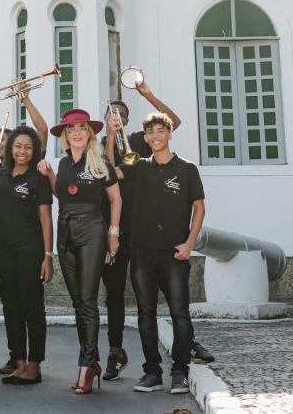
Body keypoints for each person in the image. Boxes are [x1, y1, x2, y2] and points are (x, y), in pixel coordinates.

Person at [119, 85, 204, 396]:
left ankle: (180, 371)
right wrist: (113, 130)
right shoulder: (138, 167)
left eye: (160, 131)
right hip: (141, 252)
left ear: (169, 133)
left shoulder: (186, 169)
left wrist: (189, 243)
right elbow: (110, 171)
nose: (155, 137)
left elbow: (199, 207)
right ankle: (152, 371)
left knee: (180, 313)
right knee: (145, 313)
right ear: (144, 138)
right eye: (150, 133)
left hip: (174, 252)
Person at [41, 108, 120, 394]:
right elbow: (61, 194)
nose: (76, 133)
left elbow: (116, 199)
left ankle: (86, 368)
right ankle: (93, 360)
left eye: (82, 128)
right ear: (65, 135)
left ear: (89, 134)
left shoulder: (100, 162)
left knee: (87, 300)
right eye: (71, 129)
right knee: (78, 302)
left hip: (92, 230)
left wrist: (113, 234)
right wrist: (49, 175)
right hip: (65, 231)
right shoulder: (62, 164)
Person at [0, 126, 53, 386]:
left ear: (33, 151)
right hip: (5, 250)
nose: (22, 151)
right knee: (11, 308)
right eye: (17, 146)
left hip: (31, 248)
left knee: (32, 307)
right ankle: (19, 363)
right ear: (10, 148)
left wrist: (47, 256)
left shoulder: (38, 178)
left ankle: (34, 366)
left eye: (28, 147)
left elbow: (46, 219)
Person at [99, 99, 144, 380]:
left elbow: (174, 123)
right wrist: (111, 135)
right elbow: (106, 171)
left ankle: (183, 345)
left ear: (128, 120)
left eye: (123, 115)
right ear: (105, 119)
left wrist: (145, 92)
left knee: (148, 292)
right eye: (113, 115)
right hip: (110, 231)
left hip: (139, 229)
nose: (118, 118)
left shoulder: (138, 142)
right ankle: (115, 351)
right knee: (113, 294)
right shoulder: (96, 146)